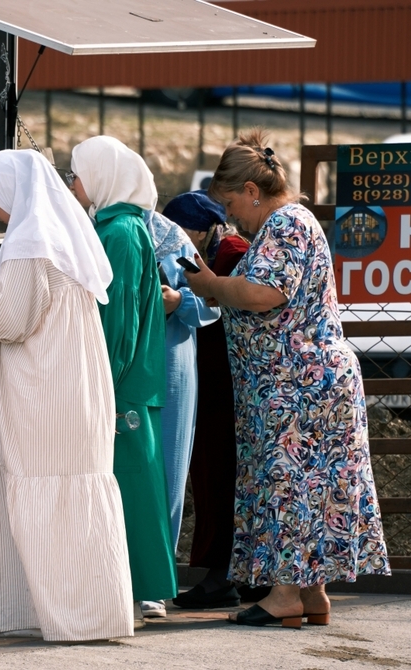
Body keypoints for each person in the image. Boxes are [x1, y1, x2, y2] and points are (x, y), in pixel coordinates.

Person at [184, 129, 391, 628]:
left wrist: (211, 285)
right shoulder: (291, 224)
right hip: (304, 383)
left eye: (233, 202)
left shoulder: (286, 224)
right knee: (310, 484)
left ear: (253, 191)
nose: (232, 215)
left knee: (289, 483)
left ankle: (284, 595)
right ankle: (311, 592)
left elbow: (265, 292)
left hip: (299, 386)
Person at [0, 148, 134, 641]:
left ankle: (54, 614)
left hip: (41, 399)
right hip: (71, 394)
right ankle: (88, 610)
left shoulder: (27, 246)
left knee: (39, 487)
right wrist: (2, 270)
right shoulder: (51, 238)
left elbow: (10, 321)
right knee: (68, 495)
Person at [69, 136, 178, 619]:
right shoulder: (121, 226)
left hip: (121, 384)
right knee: (133, 484)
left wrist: (103, 382)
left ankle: (138, 588)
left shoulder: (119, 232)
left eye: (79, 174)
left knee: (129, 488)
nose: (75, 184)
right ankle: (138, 587)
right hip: (131, 381)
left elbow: (120, 319)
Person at [161, 191, 250, 610]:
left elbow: (218, 305)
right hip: (215, 378)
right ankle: (228, 573)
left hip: (225, 383)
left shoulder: (229, 253)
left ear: (199, 229)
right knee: (211, 475)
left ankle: (221, 575)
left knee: (217, 475)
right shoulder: (216, 250)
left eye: (181, 231)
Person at [144, 208, 221, 554]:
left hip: (171, 368)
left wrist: (178, 302)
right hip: (115, 364)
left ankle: (156, 577)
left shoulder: (172, 239)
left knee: (168, 471)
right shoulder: (91, 230)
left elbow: (211, 303)